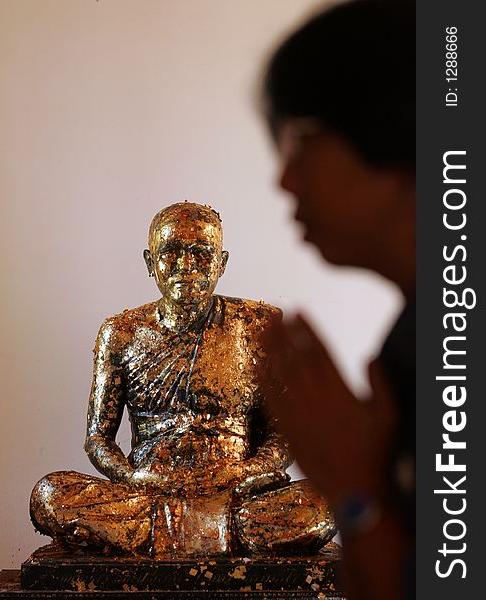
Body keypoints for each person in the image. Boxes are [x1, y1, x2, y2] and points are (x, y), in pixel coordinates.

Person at [30, 201, 336, 558]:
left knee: (326, 501)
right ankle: (218, 533)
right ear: (149, 262)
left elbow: (282, 432)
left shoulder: (258, 326)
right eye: (171, 253)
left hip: (237, 492)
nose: (186, 267)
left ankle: (167, 533)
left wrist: (252, 470)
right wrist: (132, 479)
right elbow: (99, 439)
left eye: (201, 253)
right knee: (50, 495)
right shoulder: (122, 333)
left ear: (221, 263)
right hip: (148, 493)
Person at [258, 1, 415, 599]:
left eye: (302, 141)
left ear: (392, 124)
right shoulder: (417, 334)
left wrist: (354, 490)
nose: (285, 180)